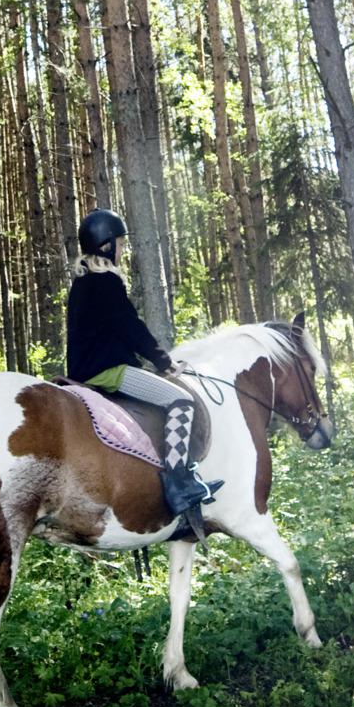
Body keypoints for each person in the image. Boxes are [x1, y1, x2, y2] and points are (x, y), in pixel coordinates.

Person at [66, 209, 220, 529]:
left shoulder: (82, 283)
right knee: (181, 402)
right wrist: (165, 362)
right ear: (107, 246)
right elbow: (130, 327)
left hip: (86, 371)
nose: (123, 249)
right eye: (120, 243)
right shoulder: (106, 281)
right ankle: (178, 484)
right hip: (110, 371)